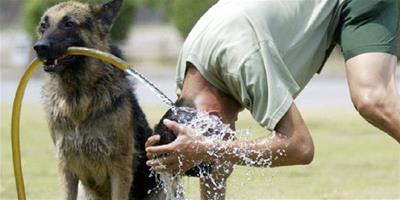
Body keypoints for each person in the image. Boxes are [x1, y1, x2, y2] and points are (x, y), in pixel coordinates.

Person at [145, 0, 399, 199]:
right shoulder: (190, 84)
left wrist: (205, 148)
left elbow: (300, 146)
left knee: (372, 98)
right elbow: (219, 159)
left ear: (211, 118)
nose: (219, 145)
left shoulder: (242, 61)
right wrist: (204, 149)